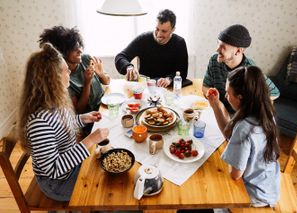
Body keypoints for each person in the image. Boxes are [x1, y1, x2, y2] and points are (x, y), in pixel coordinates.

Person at [17, 43, 109, 202]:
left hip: (71, 164)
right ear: (53, 78)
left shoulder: (54, 100)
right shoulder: (39, 122)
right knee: (106, 188)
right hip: (58, 183)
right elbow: (54, 170)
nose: (70, 72)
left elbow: (62, 125)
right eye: (66, 70)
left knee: (107, 169)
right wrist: (90, 140)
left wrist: (83, 118)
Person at [206, 66, 280, 207]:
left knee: (208, 188)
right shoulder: (266, 113)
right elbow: (230, 134)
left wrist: (229, 159)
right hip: (269, 185)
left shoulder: (245, 128)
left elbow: (235, 175)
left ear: (240, 97)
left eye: (228, 93)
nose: (226, 97)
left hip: (254, 194)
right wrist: (216, 105)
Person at [202, 24, 280, 113]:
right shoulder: (214, 60)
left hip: (238, 117)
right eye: (218, 44)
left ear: (238, 51)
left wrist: (248, 103)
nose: (217, 49)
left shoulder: (250, 70)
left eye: (223, 47)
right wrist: (218, 105)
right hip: (217, 111)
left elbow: (275, 93)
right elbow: (205, 86)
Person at [38, 26, 110, 114]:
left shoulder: (86, 59)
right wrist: (87, 83)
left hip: (105, 105)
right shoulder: (63, 77)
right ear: (62, 52)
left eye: (79, 46)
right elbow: (79, 110)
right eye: (74, 49)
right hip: (91, 117)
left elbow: (107, 82)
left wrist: (101, 74)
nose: (80, 50)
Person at [115, 9, 188, 88]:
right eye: (157, 29)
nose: (159, 34)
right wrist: (128, 67)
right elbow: (120, 57)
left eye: (164, 31)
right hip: (145, 88)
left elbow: (182, 72)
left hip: (168, 89)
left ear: (172, 30)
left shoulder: (179, 43)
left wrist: (169, 79)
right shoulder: (143, 39)